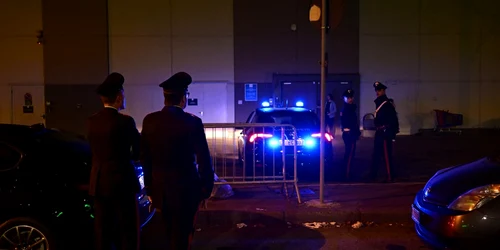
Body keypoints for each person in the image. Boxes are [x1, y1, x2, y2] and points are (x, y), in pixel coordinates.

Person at [140, 72, 214, 250]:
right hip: (186, 189)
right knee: (183, 234)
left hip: (160, 188)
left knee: (167, 231)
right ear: (183, 98)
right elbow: (203, 158)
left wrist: (149, 187)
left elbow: (145, 157)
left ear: (165, 97)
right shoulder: (192, 122)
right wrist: (206, 189)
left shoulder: (150, 121)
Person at [87, 72, 141, 250]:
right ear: (119, 97)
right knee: (128, 230)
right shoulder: (125, 122)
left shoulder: (92, 121)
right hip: (122, 182)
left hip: (99, 183)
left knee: (103, 230)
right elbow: (138, 150)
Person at [369, 81, 400, 182]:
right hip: (379, 132)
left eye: (379, 90)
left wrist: (391, 133)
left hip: (385, 133)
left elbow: (393, 120)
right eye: (376, 90)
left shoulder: (387, 104)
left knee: (386, 156)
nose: (377, 92)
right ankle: (373, 175)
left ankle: (390, 176)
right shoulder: (379, 103)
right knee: (376, 155)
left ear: (383, 91)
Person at [340, 89, 361, 180]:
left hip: (350, 133)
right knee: (349, 154)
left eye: (351, 97)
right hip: (349, 133)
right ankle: (347, 173)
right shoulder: (348, 108)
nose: (350, 99)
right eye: (348, 98)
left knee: (350, 153)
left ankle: (347, 171)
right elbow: (350, 122)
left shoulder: (349, 108)